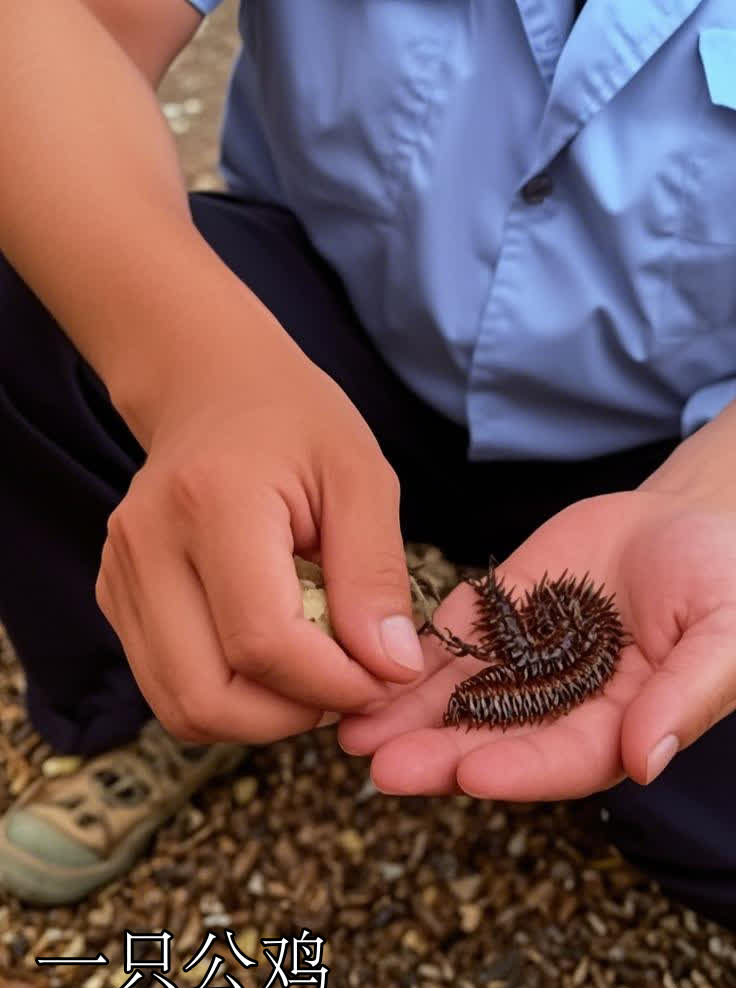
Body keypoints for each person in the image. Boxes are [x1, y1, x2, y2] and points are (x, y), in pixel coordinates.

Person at [1, 0, 735, 926]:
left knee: (700, 797)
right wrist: (196, 374)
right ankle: (135, 695)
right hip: (322, 344)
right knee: (42, 286)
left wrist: (721, 493)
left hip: (687, 444)